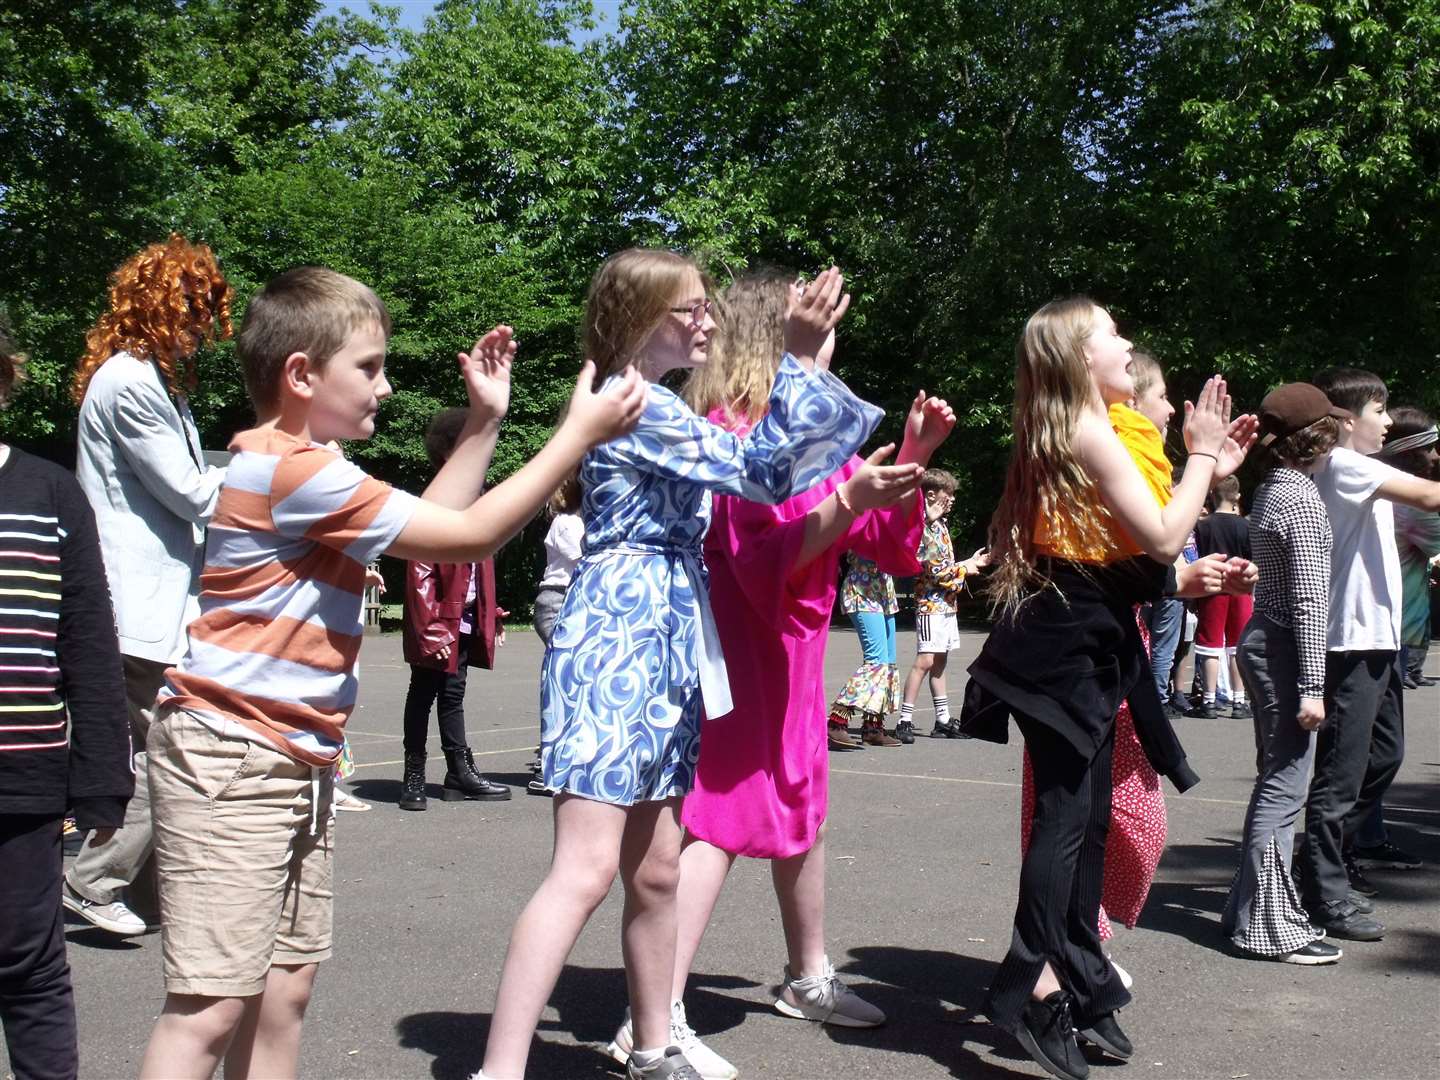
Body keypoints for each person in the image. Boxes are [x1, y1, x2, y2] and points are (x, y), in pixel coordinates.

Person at [137, 268, 647, 1080]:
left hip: (286, 758)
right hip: (232, 759)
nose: (385, 385)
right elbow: (472, 534)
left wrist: (483, 422)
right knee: (208, 1008)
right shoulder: (298, 472)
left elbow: (435, 525)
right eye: (369, 367)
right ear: (302, 375)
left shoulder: (303, 463)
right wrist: (575, 436)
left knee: (283, 993)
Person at [478, 255, 888, 1080]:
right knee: (587, 868)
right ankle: (501, 1069)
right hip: (622, 637)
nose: (708, 322)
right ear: (639, 318)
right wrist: (802, 357)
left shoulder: (645, 397)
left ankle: (654, 1047)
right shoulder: (634, 404)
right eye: (689, 310)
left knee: (659, 869)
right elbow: (765, 471)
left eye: (707, 309)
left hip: (663, 635)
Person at [599, 270, 942, 1079]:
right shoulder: (732, 428)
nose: (829, 348)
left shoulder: (813, 430)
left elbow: (888, 551)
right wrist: (848, 501)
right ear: (773, 341)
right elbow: (763, 555)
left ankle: (807, 975)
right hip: (748, 640)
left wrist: (913, 461)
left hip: (796, 645)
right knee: (719, 817)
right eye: (815, 333)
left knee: (802, 802)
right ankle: (654, 1014)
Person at [959, 297, 1256, 1080]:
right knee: (1064, 823)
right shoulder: (1084, 428)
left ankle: (1080, 979)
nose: (1127, 343)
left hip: (1081, 641)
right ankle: (1030, 988)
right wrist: (1198, 458)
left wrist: (1207, 468)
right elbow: (1162, 537)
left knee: (1086, 823)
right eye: (1110, 334)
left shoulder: (1074, 428)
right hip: (1063, 648)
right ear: (1075, 358)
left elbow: (1136, 557)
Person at [64, 234, 231, 937]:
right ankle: (94, 879)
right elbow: (192, 492)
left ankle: (154, 896)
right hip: (135, 605)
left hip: (152, 606)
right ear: (159, 306)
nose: (200, 327)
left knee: (169, 751)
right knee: (178, 755)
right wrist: (283, 473)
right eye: (192, 310)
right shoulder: (132, 383)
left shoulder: (148, 381)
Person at [0, 329, 132, 1080]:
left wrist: (102, 776)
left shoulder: (50, 492)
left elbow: (88, 645)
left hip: (24, 775)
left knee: (26, 962)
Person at [1297, 368, 1440, 943]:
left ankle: (1322, 861)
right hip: (1349, 642)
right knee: (1342, 769)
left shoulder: (1366, 470)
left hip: (1376, 639)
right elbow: (1430, 494)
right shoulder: (1341, 464)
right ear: (1347, 419)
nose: (1387, 422)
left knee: (1383, 756)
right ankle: (1323, 886)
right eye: (1379, 411)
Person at [1221, 383, 1346, 965]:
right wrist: (1314, 686)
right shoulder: (1300, 497)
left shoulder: (1274, 487)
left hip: (1264, 642)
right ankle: (1268, 927)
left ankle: (1249, 912)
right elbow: (1310, 600)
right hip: (1283, 649)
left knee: (1275, 778)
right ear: (1319, 435)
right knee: (1285, 786)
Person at [399, 407, 512, 811]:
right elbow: (420, 571)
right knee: (423, 693)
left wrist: (489, 612)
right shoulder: (438, 499)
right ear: (450, 453)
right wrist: (433, 630)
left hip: (460, 619)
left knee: (453, 695)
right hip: (436, 621)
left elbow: (477, 567)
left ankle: (458, 771)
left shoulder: (473, 499)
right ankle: (413, 776)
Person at [898, 470, 987, 739]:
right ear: (931, 495)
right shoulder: (922, 528)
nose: (952, 499)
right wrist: (966, 570)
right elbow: (935, 572)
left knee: (940, 661)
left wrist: (968, 563)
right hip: (931, 606)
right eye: (947, 494)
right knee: (924, 661)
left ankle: (943, 720)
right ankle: (904, 720)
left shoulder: (940, 526)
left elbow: (945, 567)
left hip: (947, 606)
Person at [1376, 407, 1440, 691]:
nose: (1436, 456)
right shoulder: (1413, 506)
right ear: (1409, 452)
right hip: (1397, 626)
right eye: (1429, 448)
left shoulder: (1378, 487)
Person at [527, 478, 583, 795]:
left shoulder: (587, 520)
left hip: (577, 600)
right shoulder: (567, 521)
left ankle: (561, 760)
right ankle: (547, 765)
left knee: (577, 682)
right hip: (558, 601)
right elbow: (586, 559)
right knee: (567, 681)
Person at [1188, 476, 1253, 719]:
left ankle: (1209, 700)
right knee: (1237, 646)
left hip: (1211, 588)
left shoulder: (1203, 525)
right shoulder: (1245, 526)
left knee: (1209, 645)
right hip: (1240, 590)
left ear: (1212, 496)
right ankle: (1238, 700)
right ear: (1237, 496)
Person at [827, 553, 904, 748]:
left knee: (888, 664)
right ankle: (837, 721)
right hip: (863, 591)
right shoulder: (865, 521)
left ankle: (873, 727)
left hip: (884, 593)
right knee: (876, 662)